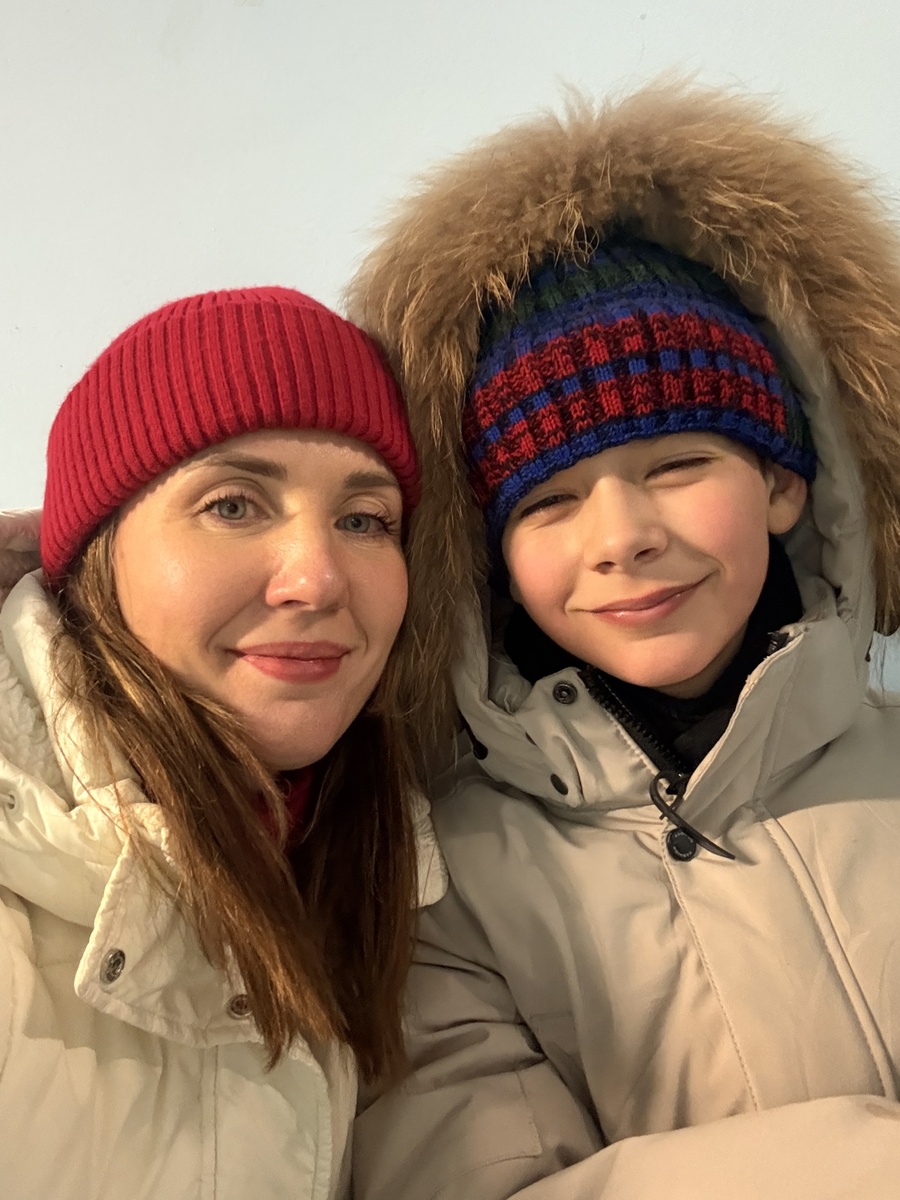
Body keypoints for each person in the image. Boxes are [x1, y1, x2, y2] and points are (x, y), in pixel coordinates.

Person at [344, 83, 900, 1198]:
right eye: (550, 502)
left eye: (678, 465)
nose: (621, 538)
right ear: (493, 559)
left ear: (783, 483)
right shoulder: (443, 884)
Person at [0, 286, 445, 1200]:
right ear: (94, 560)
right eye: (234, 504)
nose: (318, 578)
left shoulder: (384, 862)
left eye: (364, 519)